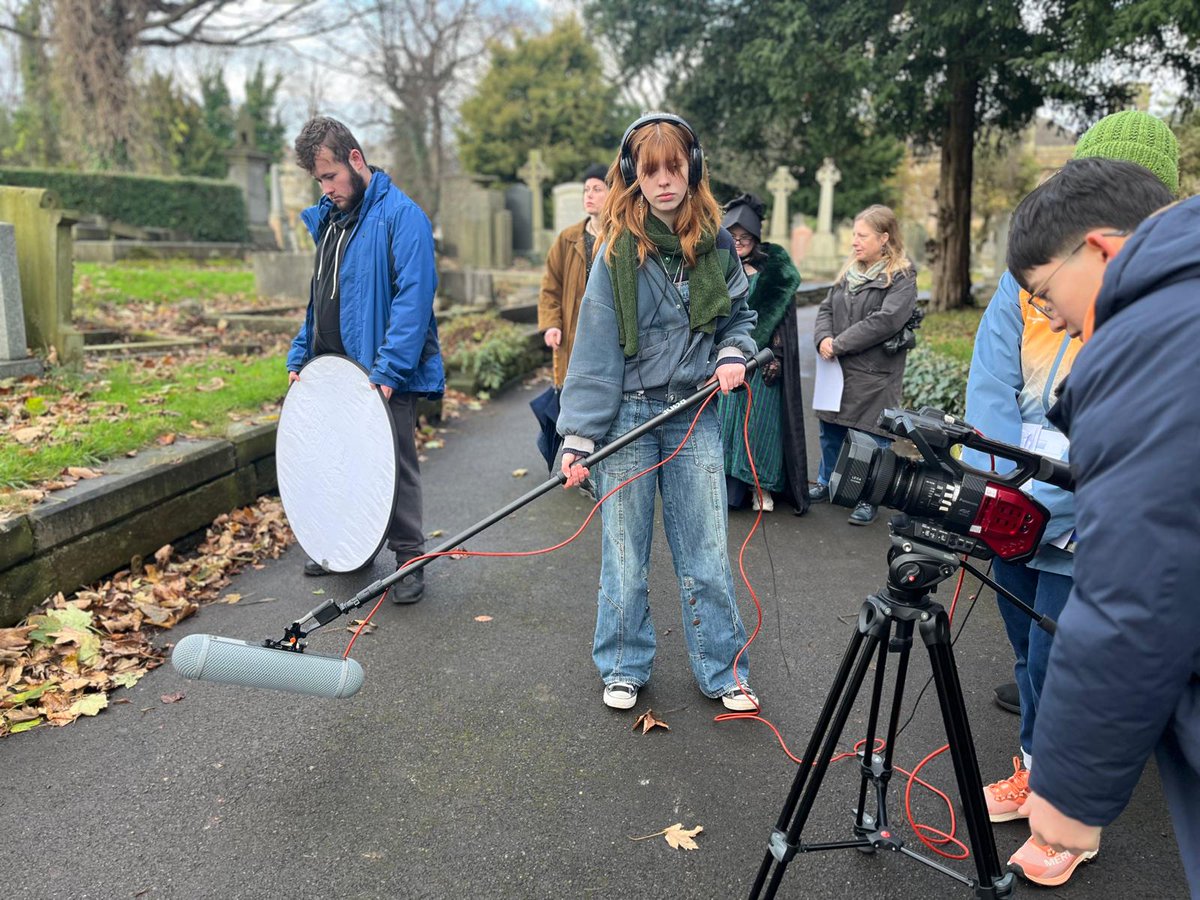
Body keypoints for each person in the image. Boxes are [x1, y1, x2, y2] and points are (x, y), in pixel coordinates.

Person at [962, 110, 1180, 887]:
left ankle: (1066, 808)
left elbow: (1122, 453)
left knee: (1068, 658)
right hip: (1015, 513)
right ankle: (1033, 769)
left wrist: (1051, 472)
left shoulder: (1153, 319)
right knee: (1026, 658)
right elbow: (988, 395)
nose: (1046, 306)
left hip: (1079, 523)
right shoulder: (1026, 286)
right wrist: (1021, 479)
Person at [1004, 157, 1197, 896]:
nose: (1048, 314)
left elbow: (1137, 584)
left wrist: (1070, 790)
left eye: (1045, 292)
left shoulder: (1144, 337)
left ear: (1104, 250)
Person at [556, 112, 759, 713]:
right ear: (632, 175)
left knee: (706, 552)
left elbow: (740, 320)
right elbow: (593, 348)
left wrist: (730, 352)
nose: (665, 182)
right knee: (624, 552)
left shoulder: (716, 243)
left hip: (694, 412)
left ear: (691, 169)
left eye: (675, 168)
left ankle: (723, 668)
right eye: (651, 171)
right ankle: (622, 663)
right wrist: (578, 437)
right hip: (628, 417)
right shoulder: (617, 248)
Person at [286, 116, 442, 604]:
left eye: (331, 176)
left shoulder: (401, 215)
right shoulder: (331, 223)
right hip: (330, 372)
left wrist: (390, 370)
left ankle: (410, 558)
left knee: (392, 465)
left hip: (380, 373)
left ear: (356, 160)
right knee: (339, 461)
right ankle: (350, 548)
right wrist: (300, 353)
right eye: (319, 180)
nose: (327, 188)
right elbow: (320, 299)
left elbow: (413, 300)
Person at [810, 205, 917, 525]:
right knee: (830, 430)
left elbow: (886, 321)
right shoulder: (849, 273)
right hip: (839, 368)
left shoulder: (901, 276)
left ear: (884, 238)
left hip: (874, 373)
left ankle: (870, 498)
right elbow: (826, 309)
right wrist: (822, 339)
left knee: (873, 437)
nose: (854, 241)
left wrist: (839, 344)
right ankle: (827, 482)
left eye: (862, 235)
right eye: (854, 235)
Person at [715, 192, 807, 514]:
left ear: (756, 238)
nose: (739, 242)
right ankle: (728, 490)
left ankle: (761, 487)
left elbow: (783, 321)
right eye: (733, 236)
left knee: (760, 428)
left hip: (762, 364)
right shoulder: (718, 268)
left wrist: (777, 357)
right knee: (727, 428)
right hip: (728, 362)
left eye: (745, 237)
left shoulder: (773, 274)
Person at [539, 163, 610, 387]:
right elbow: (551, 286)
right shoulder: (567, 239)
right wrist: (552, 324)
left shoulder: (621, 237)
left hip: (607, 333)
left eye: (597, 189)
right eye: (586, 190)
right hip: (573, 332)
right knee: (571, 392)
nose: (589, 195)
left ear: (612, 193)